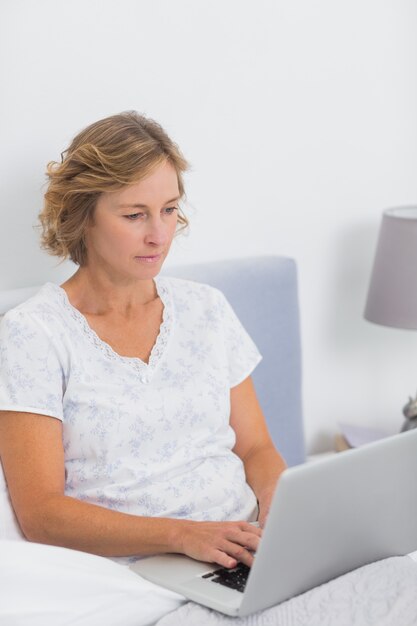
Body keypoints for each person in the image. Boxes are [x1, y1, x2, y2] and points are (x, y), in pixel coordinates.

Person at [0, 111, 286, 625]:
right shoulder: (33, 335)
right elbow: (41, 513)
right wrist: (183, 536)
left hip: (239, 551)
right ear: (82, 215)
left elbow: (256, 448)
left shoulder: (208, 309)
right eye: (134, 215)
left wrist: (283, 519)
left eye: (170, 210)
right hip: (136, 571)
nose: (159, 235)